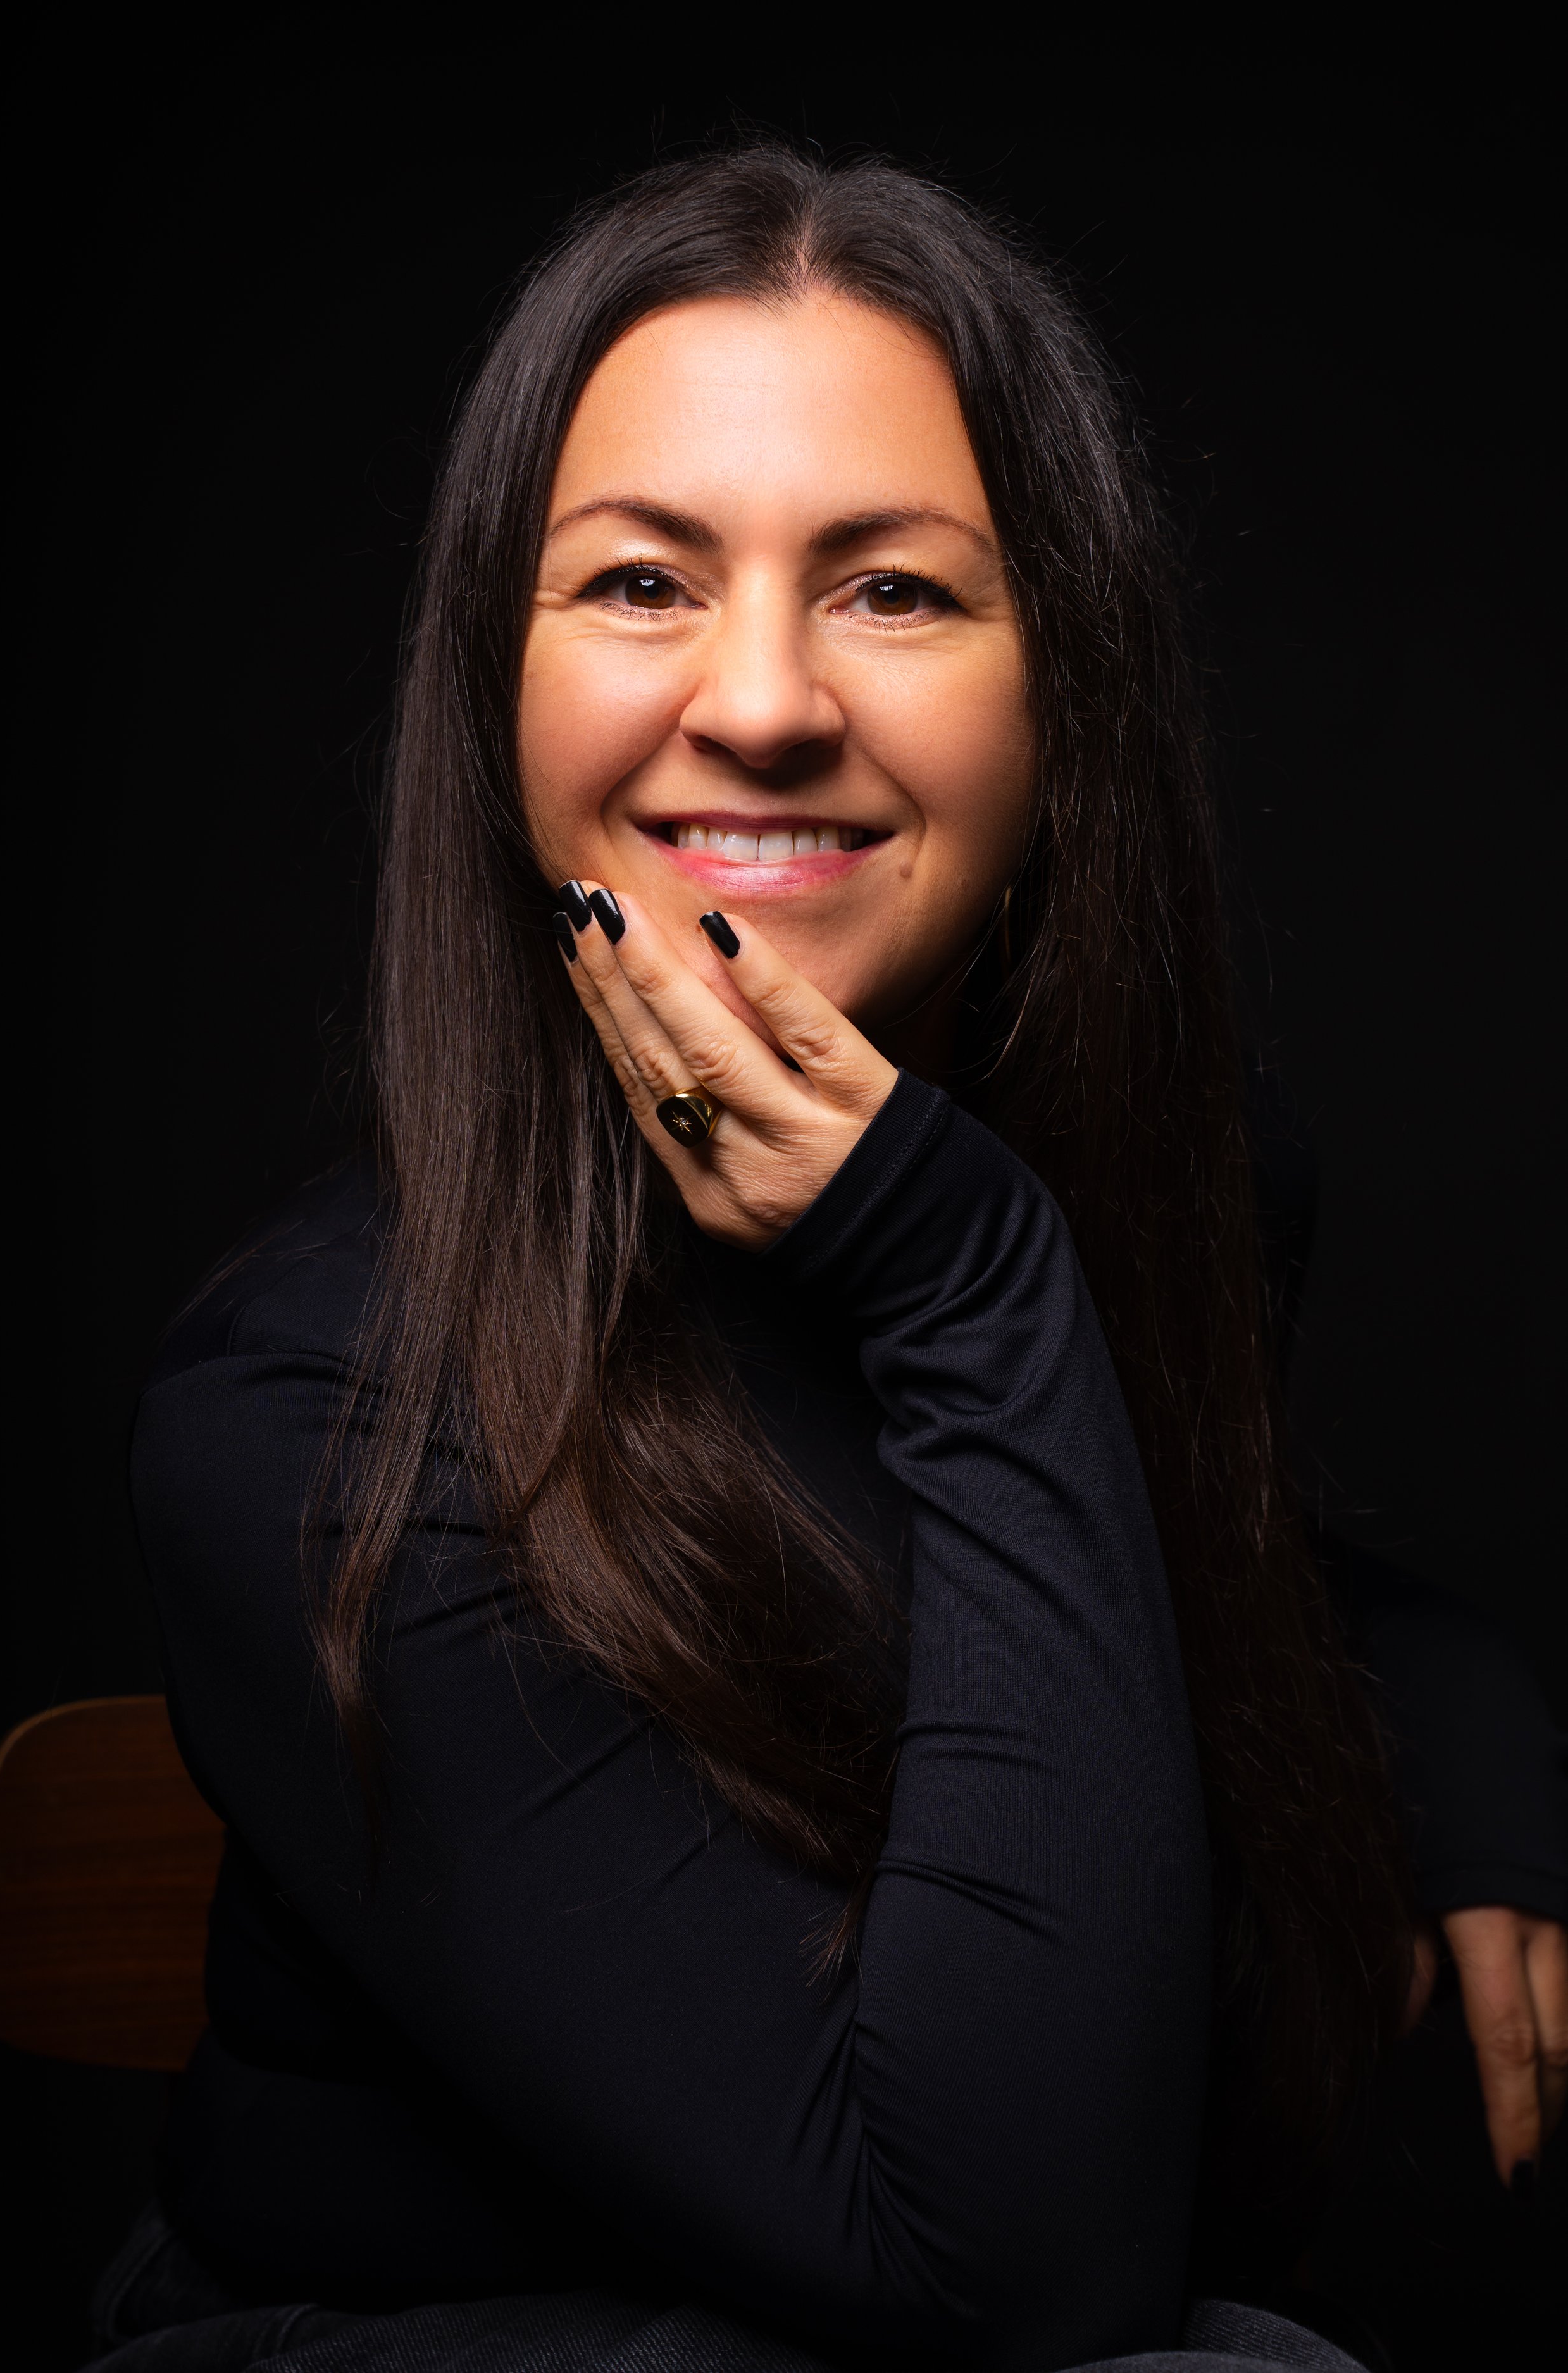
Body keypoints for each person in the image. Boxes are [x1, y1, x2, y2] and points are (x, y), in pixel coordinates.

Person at [106, 147, 1565, 2372]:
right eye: (637, 586)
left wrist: (1451, 1719)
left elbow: (1107, 1590)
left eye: (892, 591)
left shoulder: (1182, 1196)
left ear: (1056, 684)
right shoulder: (313, 1412)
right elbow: (1001, 2265)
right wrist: (962, 1281)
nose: (767, 703)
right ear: (494, 689)